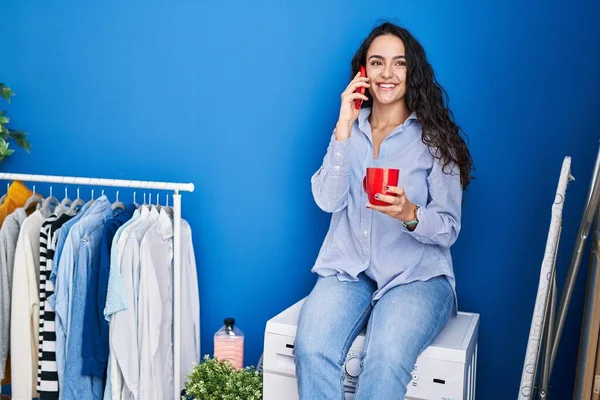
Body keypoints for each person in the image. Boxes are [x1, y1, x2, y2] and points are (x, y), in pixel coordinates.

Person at [293, 21, 474, 399]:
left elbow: (449, 227)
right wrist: (343, 125)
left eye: (399, 63)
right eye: (377, 63)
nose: (387, 73)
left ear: (413, 72)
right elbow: (328, 200)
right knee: (311, 349)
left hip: (417, 277)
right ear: (363, 72)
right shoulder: (348, 130)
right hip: (349, 269)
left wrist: (410, 213)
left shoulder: (435, 140)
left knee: (386, 359)